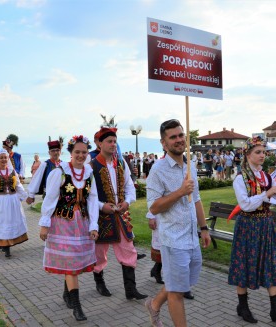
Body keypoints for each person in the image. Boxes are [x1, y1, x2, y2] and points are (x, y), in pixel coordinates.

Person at [145, 119, 211, 327]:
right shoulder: (158, 170)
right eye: (172, 137)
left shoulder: (190, 165)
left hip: (192, 237)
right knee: (177, 292)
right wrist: (180, 192)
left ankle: (154, 304)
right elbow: (154, 207)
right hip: (173, 241)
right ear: (163, 143)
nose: (178, 140)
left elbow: (197, 200)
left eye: (181, 135)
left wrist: (204, 228)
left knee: (180, 285)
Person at [229, 136, 276, 326]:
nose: (262, 155)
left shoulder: (266, 176)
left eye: (263, 152)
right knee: (244, 264)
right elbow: (245, 205)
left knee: (272, 264)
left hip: (265, 226)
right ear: (248, 155)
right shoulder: (240, 178)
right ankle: (243, 306)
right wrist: (266, 194)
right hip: (248, 226)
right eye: (258, 152)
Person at [39, 135, 99, 321]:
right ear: (71, 153)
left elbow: (93, 199)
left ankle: (67, 293)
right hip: (62, 222)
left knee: (75, 263)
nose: (81, 155)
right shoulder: (60, 172)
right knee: (72, 265)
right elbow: (50, 199)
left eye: (84, 152)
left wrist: (94, 224)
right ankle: (77, 306)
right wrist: (44, 224)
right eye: (77, 152)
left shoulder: (89, 173)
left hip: (81, 222)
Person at [90, 127, 147, 300]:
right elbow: (87, 195)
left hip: (121, 215)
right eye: (109, 141)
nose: (113, 144)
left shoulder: (121, 162)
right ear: (100, 144)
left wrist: (127, 202)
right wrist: (101, 206)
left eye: (115, 141)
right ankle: (100, 283)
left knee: (128, 250)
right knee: (99, 254)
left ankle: (131, 290)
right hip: (101, 217)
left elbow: (129, 185)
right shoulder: (91, 165)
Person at [0, 149, 28, 258]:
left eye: (5, 157)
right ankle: (5, 245)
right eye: (1, 157)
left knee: (11, 221)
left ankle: (7, 244)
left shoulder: (13, 172)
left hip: (12, 201)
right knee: (2, 222)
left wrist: (26, 196)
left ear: (8, 159)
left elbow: (18, 186)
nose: (3, 159)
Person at [147, 210, 195, 300]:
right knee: (170, 251)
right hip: (165, 218)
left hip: (181, 219)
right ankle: (183, 287)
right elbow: (153, 199)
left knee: (179, 252)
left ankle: (156, 270)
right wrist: (151, 216)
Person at [26, 138, 63, 205]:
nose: (55, 152)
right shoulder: (45, 164)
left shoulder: (64, 165)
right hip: (49, 194)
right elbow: (37, 178)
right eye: (53, 151)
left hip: (62, 195)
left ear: (60, 151)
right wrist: (31, 195)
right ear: (49, 152)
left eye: (57, 150)